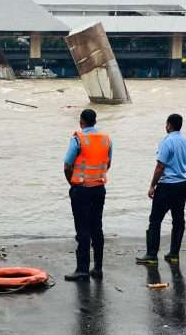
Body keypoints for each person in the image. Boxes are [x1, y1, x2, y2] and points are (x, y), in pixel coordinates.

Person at [136, 114, 186, 265]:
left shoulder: (166, 142)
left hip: (167, 185)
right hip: (183, 184)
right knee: (178, 219)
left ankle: (152, 255)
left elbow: (160, 166)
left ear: (169, 125)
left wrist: (152, 185)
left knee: (155, 220)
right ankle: (174, 254)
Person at [63, 109, 112, 281]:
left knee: (82, 229)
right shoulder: (106, 139)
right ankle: (98, 268)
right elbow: (108, 163)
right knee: (97, 227)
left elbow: (67, 165)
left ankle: (82, 270)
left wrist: (73, 183)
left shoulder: (78, 138)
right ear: (95, 121)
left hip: (81, 189)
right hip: (99, 188)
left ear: (81, 122)